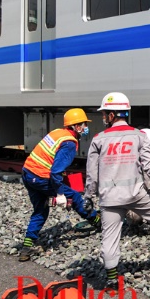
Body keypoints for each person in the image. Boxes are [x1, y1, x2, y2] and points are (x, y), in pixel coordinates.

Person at [84, 92, 150, 289]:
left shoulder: (98, 139)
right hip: (137, 193)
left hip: (110, 198)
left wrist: (88, 196)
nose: (103, 117)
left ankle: (111, 279)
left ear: (111, 115)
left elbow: (92, 173)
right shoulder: (139, 136)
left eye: (105, 113)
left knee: (109, 237)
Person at [19, 109, 101, 261]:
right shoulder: (69, 143)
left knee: (40, 211)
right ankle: (97, 222)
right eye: (83, 124)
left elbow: (50, 161)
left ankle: (26, 247)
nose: (85, 127)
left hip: (28, 173)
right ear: (76, 127)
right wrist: (60, 194)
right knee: (76, 197)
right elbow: (55, 172)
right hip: (42, 177)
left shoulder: (58, 132)